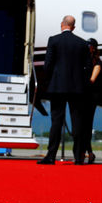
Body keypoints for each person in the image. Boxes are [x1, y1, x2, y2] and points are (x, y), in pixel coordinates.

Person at [39, 15, 91, 165]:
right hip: (77, 88)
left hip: (57, 86)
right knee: (77, 122)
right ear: (73, 27)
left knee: (56, 121)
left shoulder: (53, 40)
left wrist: (48, 81)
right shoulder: (82, 43)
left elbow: (47, 65)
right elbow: (88, 66)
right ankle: (78, 157)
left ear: (62, 24)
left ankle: (51, 156)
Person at [81, 38, 102, 164]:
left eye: (89, 45)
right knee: (81, 126)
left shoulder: (97, 62)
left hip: (90, 96)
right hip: (81, 95)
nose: (87, 47)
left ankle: (87, 152)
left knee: (87, 125)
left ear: (93, 48)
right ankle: (87, 151)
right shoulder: (83, 59)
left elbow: (92, 79)